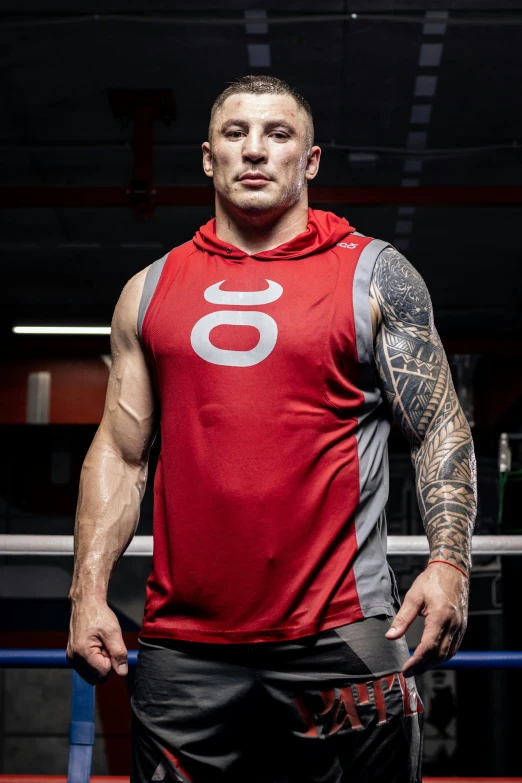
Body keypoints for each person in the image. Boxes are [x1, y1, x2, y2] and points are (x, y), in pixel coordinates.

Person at [67, 75, 477, 783]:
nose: (255, 151)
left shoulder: (375, 275)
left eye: (278, 134)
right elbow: (122, 452)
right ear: (207, 158)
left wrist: (450, 563)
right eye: (235, 134)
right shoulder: (151, 288)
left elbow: (438, 421)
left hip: (344, 631)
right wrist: (87, 589)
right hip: (184, 646)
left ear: (309, 160)